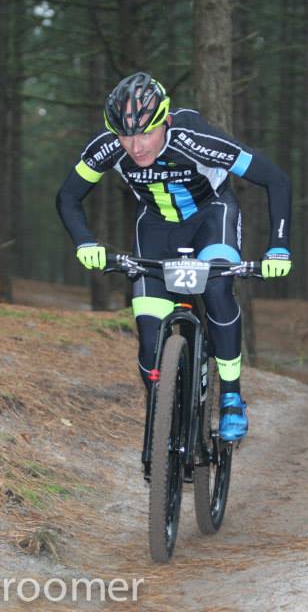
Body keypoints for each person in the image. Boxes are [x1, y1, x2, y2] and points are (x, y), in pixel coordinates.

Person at [56, 72, 292, 441]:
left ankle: (231, 395)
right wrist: (85, 242)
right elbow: (69, 196)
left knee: (217, 289)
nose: (136, 147)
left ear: (165, 120)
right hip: (156, 228)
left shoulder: (196, 139)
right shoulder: (109, 147)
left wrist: (278, 246)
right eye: (125, 136)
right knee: (150, 337)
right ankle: (165, 421)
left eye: (145, 133)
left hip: (211, 217)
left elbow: (275, 179)